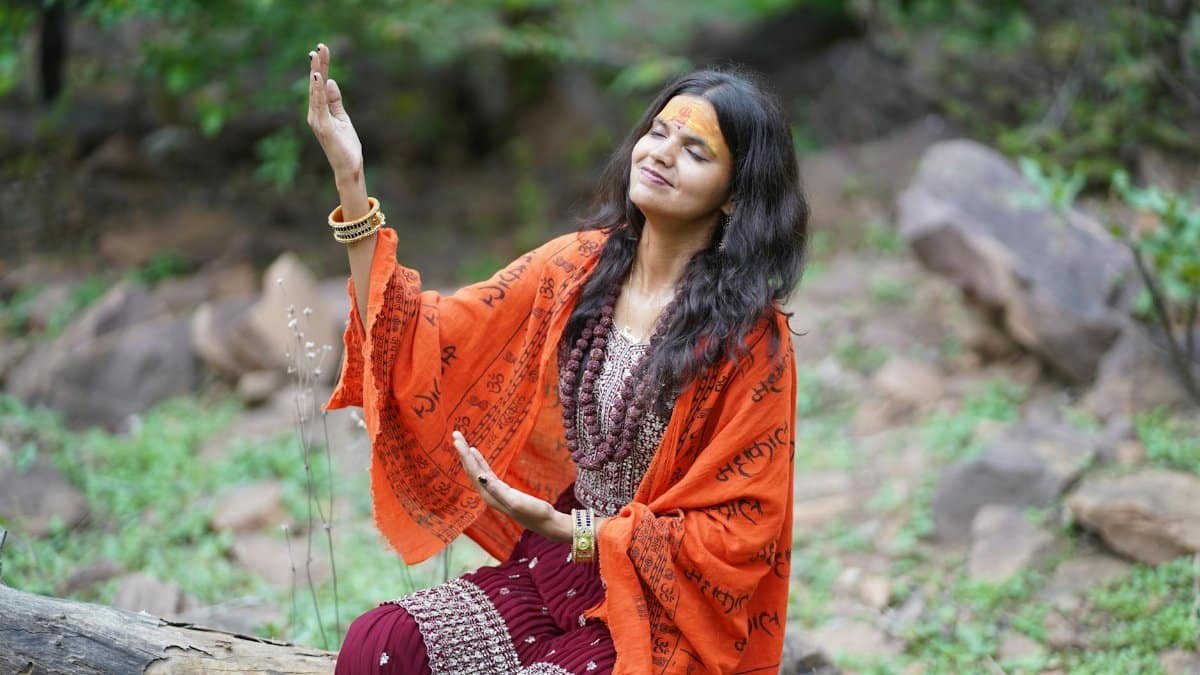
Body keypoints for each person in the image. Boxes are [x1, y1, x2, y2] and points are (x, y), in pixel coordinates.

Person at [307, 40, 808, 675]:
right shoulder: (578, 267)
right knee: (380, 643)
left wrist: (570, 528)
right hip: (557, 571)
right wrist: (350, 178)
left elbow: (741, 530)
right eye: (658, 133)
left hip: (659, 609)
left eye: (696, 151)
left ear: (735, 196)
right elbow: (416, 338)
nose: (661, 153)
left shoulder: (750, 340)